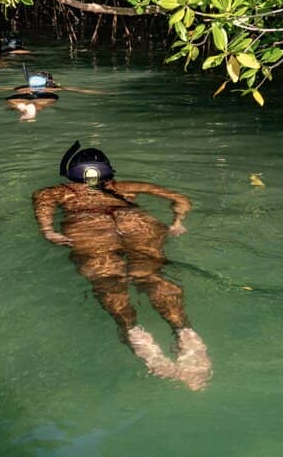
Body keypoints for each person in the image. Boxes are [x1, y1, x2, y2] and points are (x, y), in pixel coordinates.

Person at [32, 141, 212, 390]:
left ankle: (138, 337)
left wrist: (48, 231)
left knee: (109, 282)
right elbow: (180, 199)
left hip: (90, 226)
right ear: (108, 171)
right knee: (151, 276)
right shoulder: (126, 187)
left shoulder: (57, 191)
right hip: (136, 223)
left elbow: (44, 209)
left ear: (71, 172)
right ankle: (186, 334)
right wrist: (178, 221)